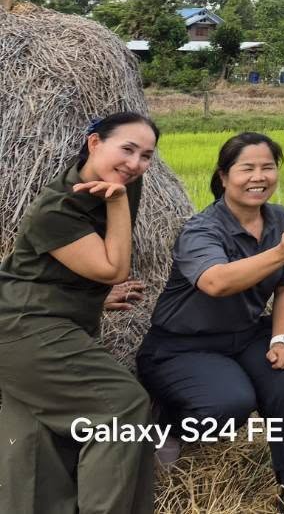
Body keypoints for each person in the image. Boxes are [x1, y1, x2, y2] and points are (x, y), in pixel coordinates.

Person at [136, 132, 284, 510]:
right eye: (246, 168)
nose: (259, 176)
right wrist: (281, 251)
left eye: (268, 167)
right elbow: (216, 282)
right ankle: (169, 427)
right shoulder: (200, 229)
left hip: (247, 336)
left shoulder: (282, 217)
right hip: (182, 344)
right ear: (223, 176)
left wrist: (280, 340)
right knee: (231, 403)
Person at [0, 113, 159, 514]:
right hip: (22, 326)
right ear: (93, 143)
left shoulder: (121, 182)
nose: (135, 163)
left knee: (34, 443)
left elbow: (40, 269)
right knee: (121, 407)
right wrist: (119, 203)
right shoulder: (56, 208)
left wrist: (89, 298)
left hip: (44, 318)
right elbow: (112, 268)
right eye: (127, 149)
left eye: (146, 156)